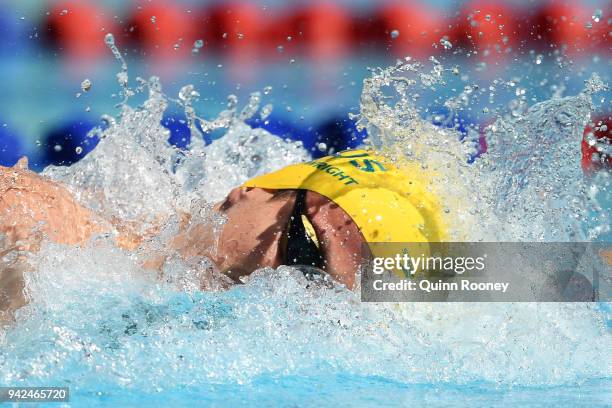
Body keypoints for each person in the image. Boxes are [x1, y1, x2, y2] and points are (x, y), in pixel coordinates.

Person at [0, 150, 447, 319]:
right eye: (303, 256)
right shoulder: (30, 225)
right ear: (248, 194)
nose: (289, 291)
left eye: (326, 296)